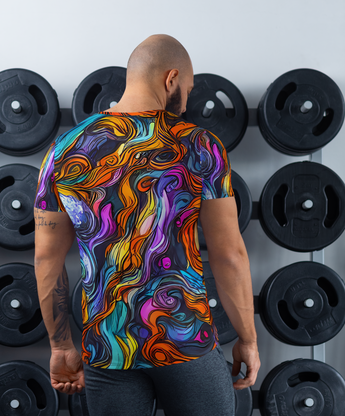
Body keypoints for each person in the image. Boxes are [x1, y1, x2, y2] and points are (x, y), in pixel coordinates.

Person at [34, 34, 260, 416]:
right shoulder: (199, 145)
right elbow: (229, 255)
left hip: (109, 346)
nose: (185, 102)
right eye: (187, 89)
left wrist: (60, 346)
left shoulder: (63, 150)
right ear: (171, 79)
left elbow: (46, 260)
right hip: (183, 338)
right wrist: (248, 339)